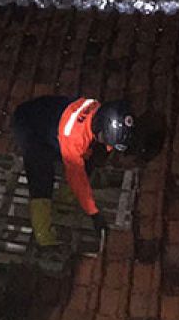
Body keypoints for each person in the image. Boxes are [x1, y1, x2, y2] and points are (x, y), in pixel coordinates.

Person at [10, 96, 134, 258]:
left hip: (50, 116)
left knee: (90, 160)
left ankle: (63, 205)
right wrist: (94, 213)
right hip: (29, 125)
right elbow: (77, 178)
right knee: (42, 177)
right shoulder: (72, 137)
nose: (106, 144)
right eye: (104, 138)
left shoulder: (99, 111)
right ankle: (44, 239)